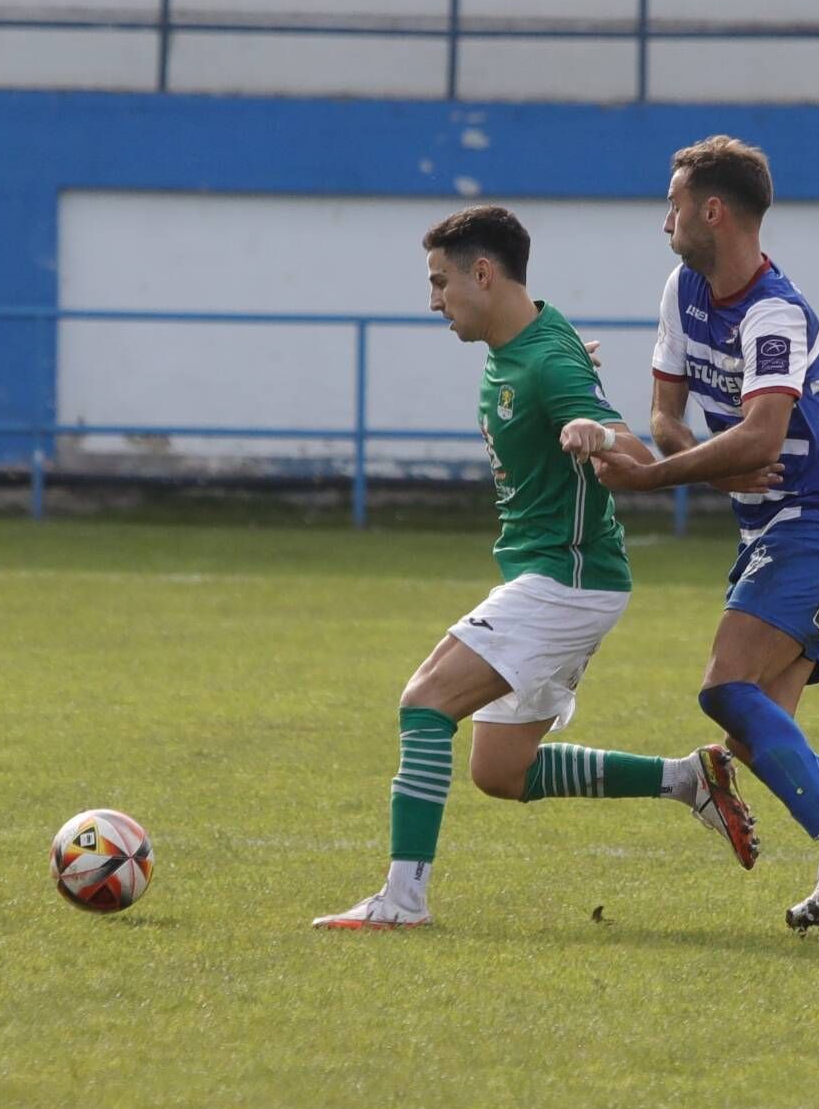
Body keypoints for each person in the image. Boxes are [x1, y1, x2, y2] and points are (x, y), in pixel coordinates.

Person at [313, 205, 760, 932]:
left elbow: (640, 459)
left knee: (424, 702)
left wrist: (597, 434)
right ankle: (686, 779)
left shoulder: (548, 361)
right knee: (501, 771)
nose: (433, 301)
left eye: (439, 283)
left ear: (482, 273)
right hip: (557, 578)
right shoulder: (526, 342)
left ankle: (401, 901)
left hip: (566, 581)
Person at [589, 136, 819, 942]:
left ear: (713, 211)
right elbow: (666, 418)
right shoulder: (684, 287)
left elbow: (761, 434)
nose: (663, 221)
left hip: (818, 527)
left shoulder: (775, 312)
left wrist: (650, 479)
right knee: (753, 735)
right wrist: (697, 467)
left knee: (722, 687)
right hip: (788, 531)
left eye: (673, 204)